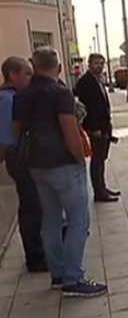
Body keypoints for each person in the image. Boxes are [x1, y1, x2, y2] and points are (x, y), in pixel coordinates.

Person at [13, 47, 107, 297]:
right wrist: (79, 160)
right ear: (59, 68)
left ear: (34, 67)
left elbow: (17, 131)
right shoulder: (60, 93)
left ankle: (57, 274)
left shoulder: (22, 95)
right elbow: (70, 132)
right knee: (79, 220)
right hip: (63, 163)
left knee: (51, 219)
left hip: (36, 166)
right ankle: (73, 278)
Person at [0, 56, 47, 272]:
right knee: (31, 207)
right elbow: (8, 138)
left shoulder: (15, 97)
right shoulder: (8, 100)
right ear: (13, 75)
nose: (31, 77)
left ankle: (37, 250)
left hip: (21, 156)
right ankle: (35, 256)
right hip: (19, 158)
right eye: (27, 73)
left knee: (34, 205)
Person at [74, 54, 120, 202]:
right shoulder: (85, 82)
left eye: (101, 63)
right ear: (89, 64)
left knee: (101, 159)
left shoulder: (98, 80)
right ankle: (99, 192)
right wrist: (94, 128)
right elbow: (88, 107)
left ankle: (102, 187)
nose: (99, 66)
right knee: (97, 160)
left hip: (104, 126)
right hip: (96, 128)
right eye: (96, 63)